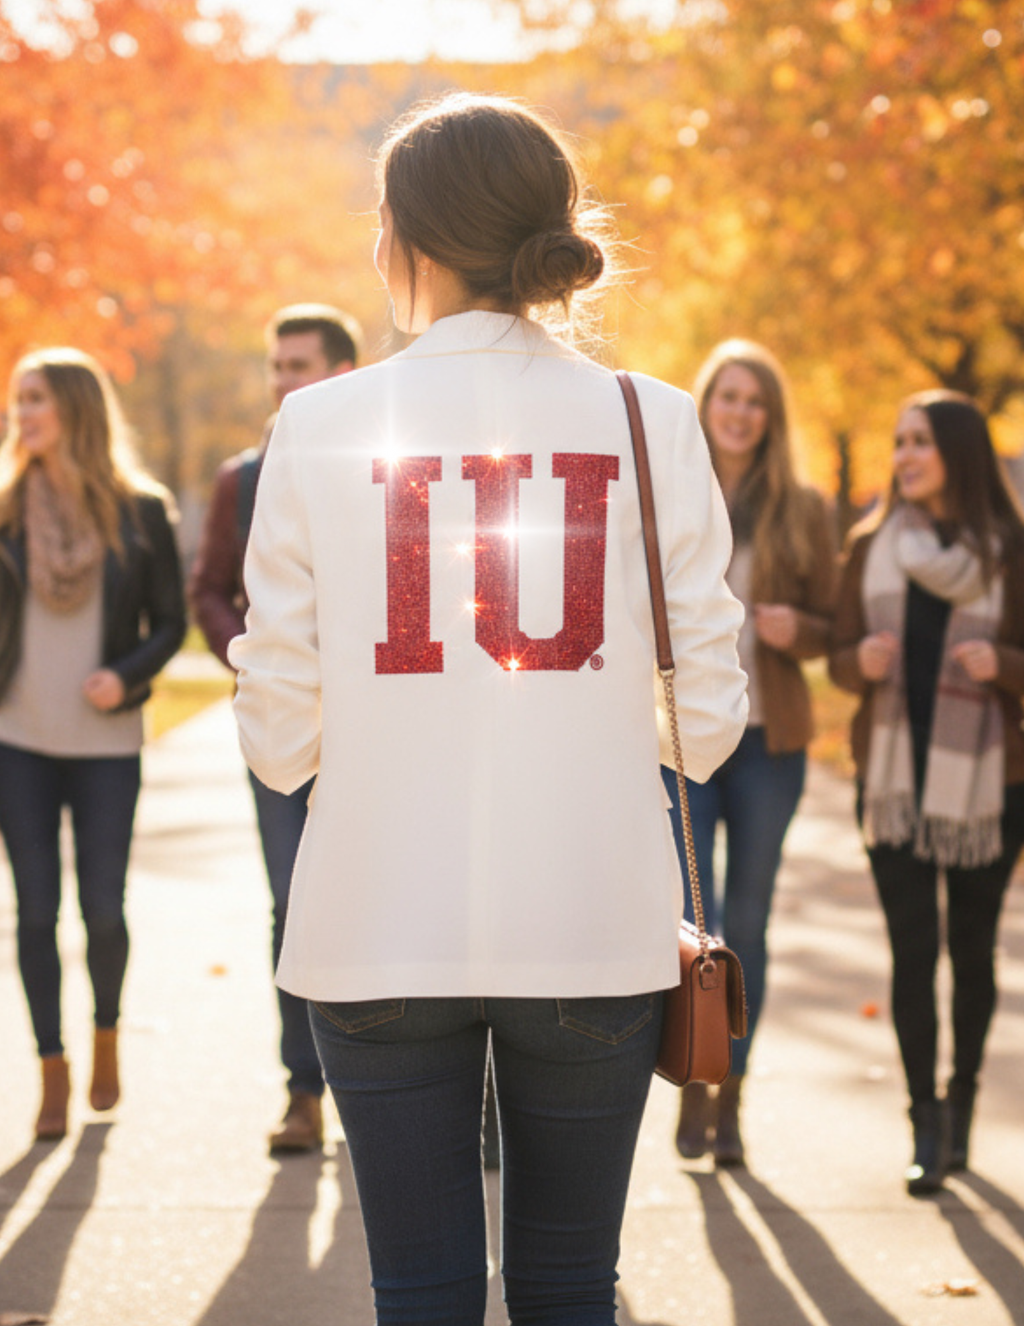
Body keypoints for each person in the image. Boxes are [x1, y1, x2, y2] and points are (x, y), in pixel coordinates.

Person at [230, 92, 748, 1325]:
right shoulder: (653, 421)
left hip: (374, 919)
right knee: (571, 1289)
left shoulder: (316, 424)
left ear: (406, 242)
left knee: (418, 1292)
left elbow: (276, 737)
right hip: (588, 914)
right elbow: (711, 722)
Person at [829, 390, 1024, 1196]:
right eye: (899, 441)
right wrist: (857, 666)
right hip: (892, 785)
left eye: (920, 442)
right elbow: (840, 655)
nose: (904, 456)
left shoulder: (1010, 547)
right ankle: (925, 1124)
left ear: (958, 451)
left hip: (991, 788)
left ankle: (962, 1112)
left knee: (973, 956)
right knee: (913, 955)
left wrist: (1004, 667)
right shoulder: (870, 544)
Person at [0, 347, 186, 1141]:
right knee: (35, 911)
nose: (22, 414)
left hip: (107, 741)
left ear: (75, 407)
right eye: (18, 401)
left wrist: (127, 674)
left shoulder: (142, 511)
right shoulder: (6, 510)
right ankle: (52, 1068)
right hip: (18, 739)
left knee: (102, 911)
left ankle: (106, 1036)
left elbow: (172, 622)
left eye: (35, 399)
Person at [188, 303, 360, 1153]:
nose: (282, 379)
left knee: (399, 900)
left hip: (380, 731)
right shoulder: (243, 478)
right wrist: (253, 660)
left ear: (342, 373)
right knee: (292, 902)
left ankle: (433, 1095)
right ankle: (303, 1091)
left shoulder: (386, 464)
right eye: (276, 365)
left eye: (299, 365)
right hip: (285, 726)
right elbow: (210, 588)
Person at [663, 339, 836, 1167]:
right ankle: (693, 1077)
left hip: (769, 741)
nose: (739, 411)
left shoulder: (802, 507)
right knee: (692, 924)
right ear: (706, 404)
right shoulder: (671, 496)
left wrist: (794, 628)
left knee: (751, 922)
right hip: (689, 739)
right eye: (727, 396)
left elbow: (834, 629)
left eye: (754, 400)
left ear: (770, 418)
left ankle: (730, 1095)